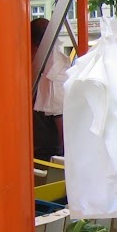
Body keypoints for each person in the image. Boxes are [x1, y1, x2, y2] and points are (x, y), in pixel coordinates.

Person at [31, 17, 70, 161]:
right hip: (38, 150)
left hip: (48, 155)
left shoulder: (55, 73)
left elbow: (62, 122)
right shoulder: (43, 68)